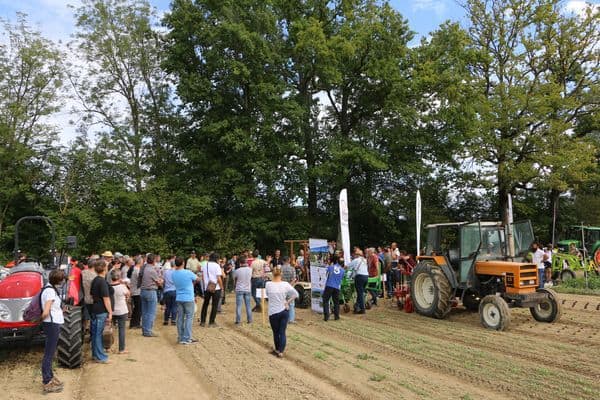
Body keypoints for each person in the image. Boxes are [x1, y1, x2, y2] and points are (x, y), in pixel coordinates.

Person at [40, 269, 65, 393]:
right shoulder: (50, 291)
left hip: (51, 323)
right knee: (49, 354)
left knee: (50, 352)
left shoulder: (48, 288)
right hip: (51, 324)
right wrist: (40, 320)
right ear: (58, 280)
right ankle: (47, 381)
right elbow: (46, 311)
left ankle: (49, 376)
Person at [265, 267, 298, 358]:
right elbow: (296, 294)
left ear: (272, 274)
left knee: (276, 332)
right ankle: (281, 352)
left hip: (273, 311)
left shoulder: (268, 284)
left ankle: (277, 349)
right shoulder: (285, 284)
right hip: (284, 310)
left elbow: (267, 295)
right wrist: (287, 302)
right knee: (282, 332)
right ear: (281, 274)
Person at [172, 257, 200, 344]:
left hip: (179, 297)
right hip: (188, 298)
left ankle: (180, 337)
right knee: (189, 318)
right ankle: (187, 338)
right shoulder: (188, 272)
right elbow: (198, 279)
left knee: (180, 318)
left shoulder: (173, 274)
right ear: (183, 263)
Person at [90, 260, 112, 363]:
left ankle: (95, 354)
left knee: (95, 334)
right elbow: (106, 298)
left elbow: (91, 294)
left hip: (95, 309)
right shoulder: (102, 281)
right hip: (101, 310)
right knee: (98, 334)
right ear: (104, 269)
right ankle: (100, 357)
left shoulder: (95, 280)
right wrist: (110, 312)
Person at [139, 253, 163, 337]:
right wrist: (161, 280)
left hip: (143, 291)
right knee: (151, 313)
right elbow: (159, 282)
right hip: (150, 291)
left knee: (145, 312)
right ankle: (148, 331)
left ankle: (145, 330)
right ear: (153, 261)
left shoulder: (144, 268)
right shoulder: (152, 270)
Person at [200, 252, 223, 327]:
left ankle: (203, 321)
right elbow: (219, 278)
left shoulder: (204, 264)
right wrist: (222, 287)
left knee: (205, 304)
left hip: (207, 287)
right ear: (216, 259)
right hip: (216, 288)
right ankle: (211, 322)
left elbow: (203, 277)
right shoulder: (217, 266)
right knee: (214, 305)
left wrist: (205, 285)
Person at [110, 269, 130, 354]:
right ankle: (121, 349)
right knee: (121, 330)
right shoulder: (122, 286)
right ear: (119, 277)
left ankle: (108, 347)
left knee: (110, 329)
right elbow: (128, 293)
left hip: (111, 310)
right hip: (121, 310)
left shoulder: (108, 286)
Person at [322, 255, 345, 321]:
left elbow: (326, 273)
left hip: (329, 285)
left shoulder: (331, 267)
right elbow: (341, 278)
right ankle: (336, 316)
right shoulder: (343, 270)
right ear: (342, 263)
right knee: (336, 302)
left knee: (325, 300)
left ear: (337, 261)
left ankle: (326, 317)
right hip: (337, 287)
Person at [347, 248, 368, 314]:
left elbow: (347, 267)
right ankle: (357, 306)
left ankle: (362, 309)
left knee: (360, 293)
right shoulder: (365, 260)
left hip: (359, 277)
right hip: (366, 277)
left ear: (356, 255)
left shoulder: (356, 260)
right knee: (361, 293)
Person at [233, 255, 253, 324]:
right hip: (247, 289)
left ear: (240, 263)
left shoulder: (237, 271)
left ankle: (238, 320)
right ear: (246, 262)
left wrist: (235, 286)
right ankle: (250, 320)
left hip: (239, 289)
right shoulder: (250, 270)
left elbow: (235, 280)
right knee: (248, 305)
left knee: (239, 306)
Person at [280, 256, 297, 323]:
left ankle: (283, 319)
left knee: (282, 303)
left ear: (283, 261)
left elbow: (279, 278)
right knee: (291, 304)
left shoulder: (280, 268)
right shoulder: (292, 269)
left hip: (282, 288)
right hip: (290, 288)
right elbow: (294, 279)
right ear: (289, 260)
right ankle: (291, 319)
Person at [128, 256, 142, 329]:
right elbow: (140, 281)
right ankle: (135, 323)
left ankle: (134, 323)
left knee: (137, 308)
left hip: (135, 291)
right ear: (139, 262)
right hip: (137, 292)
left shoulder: (135, 269)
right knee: (138, 308)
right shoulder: (137, 270)